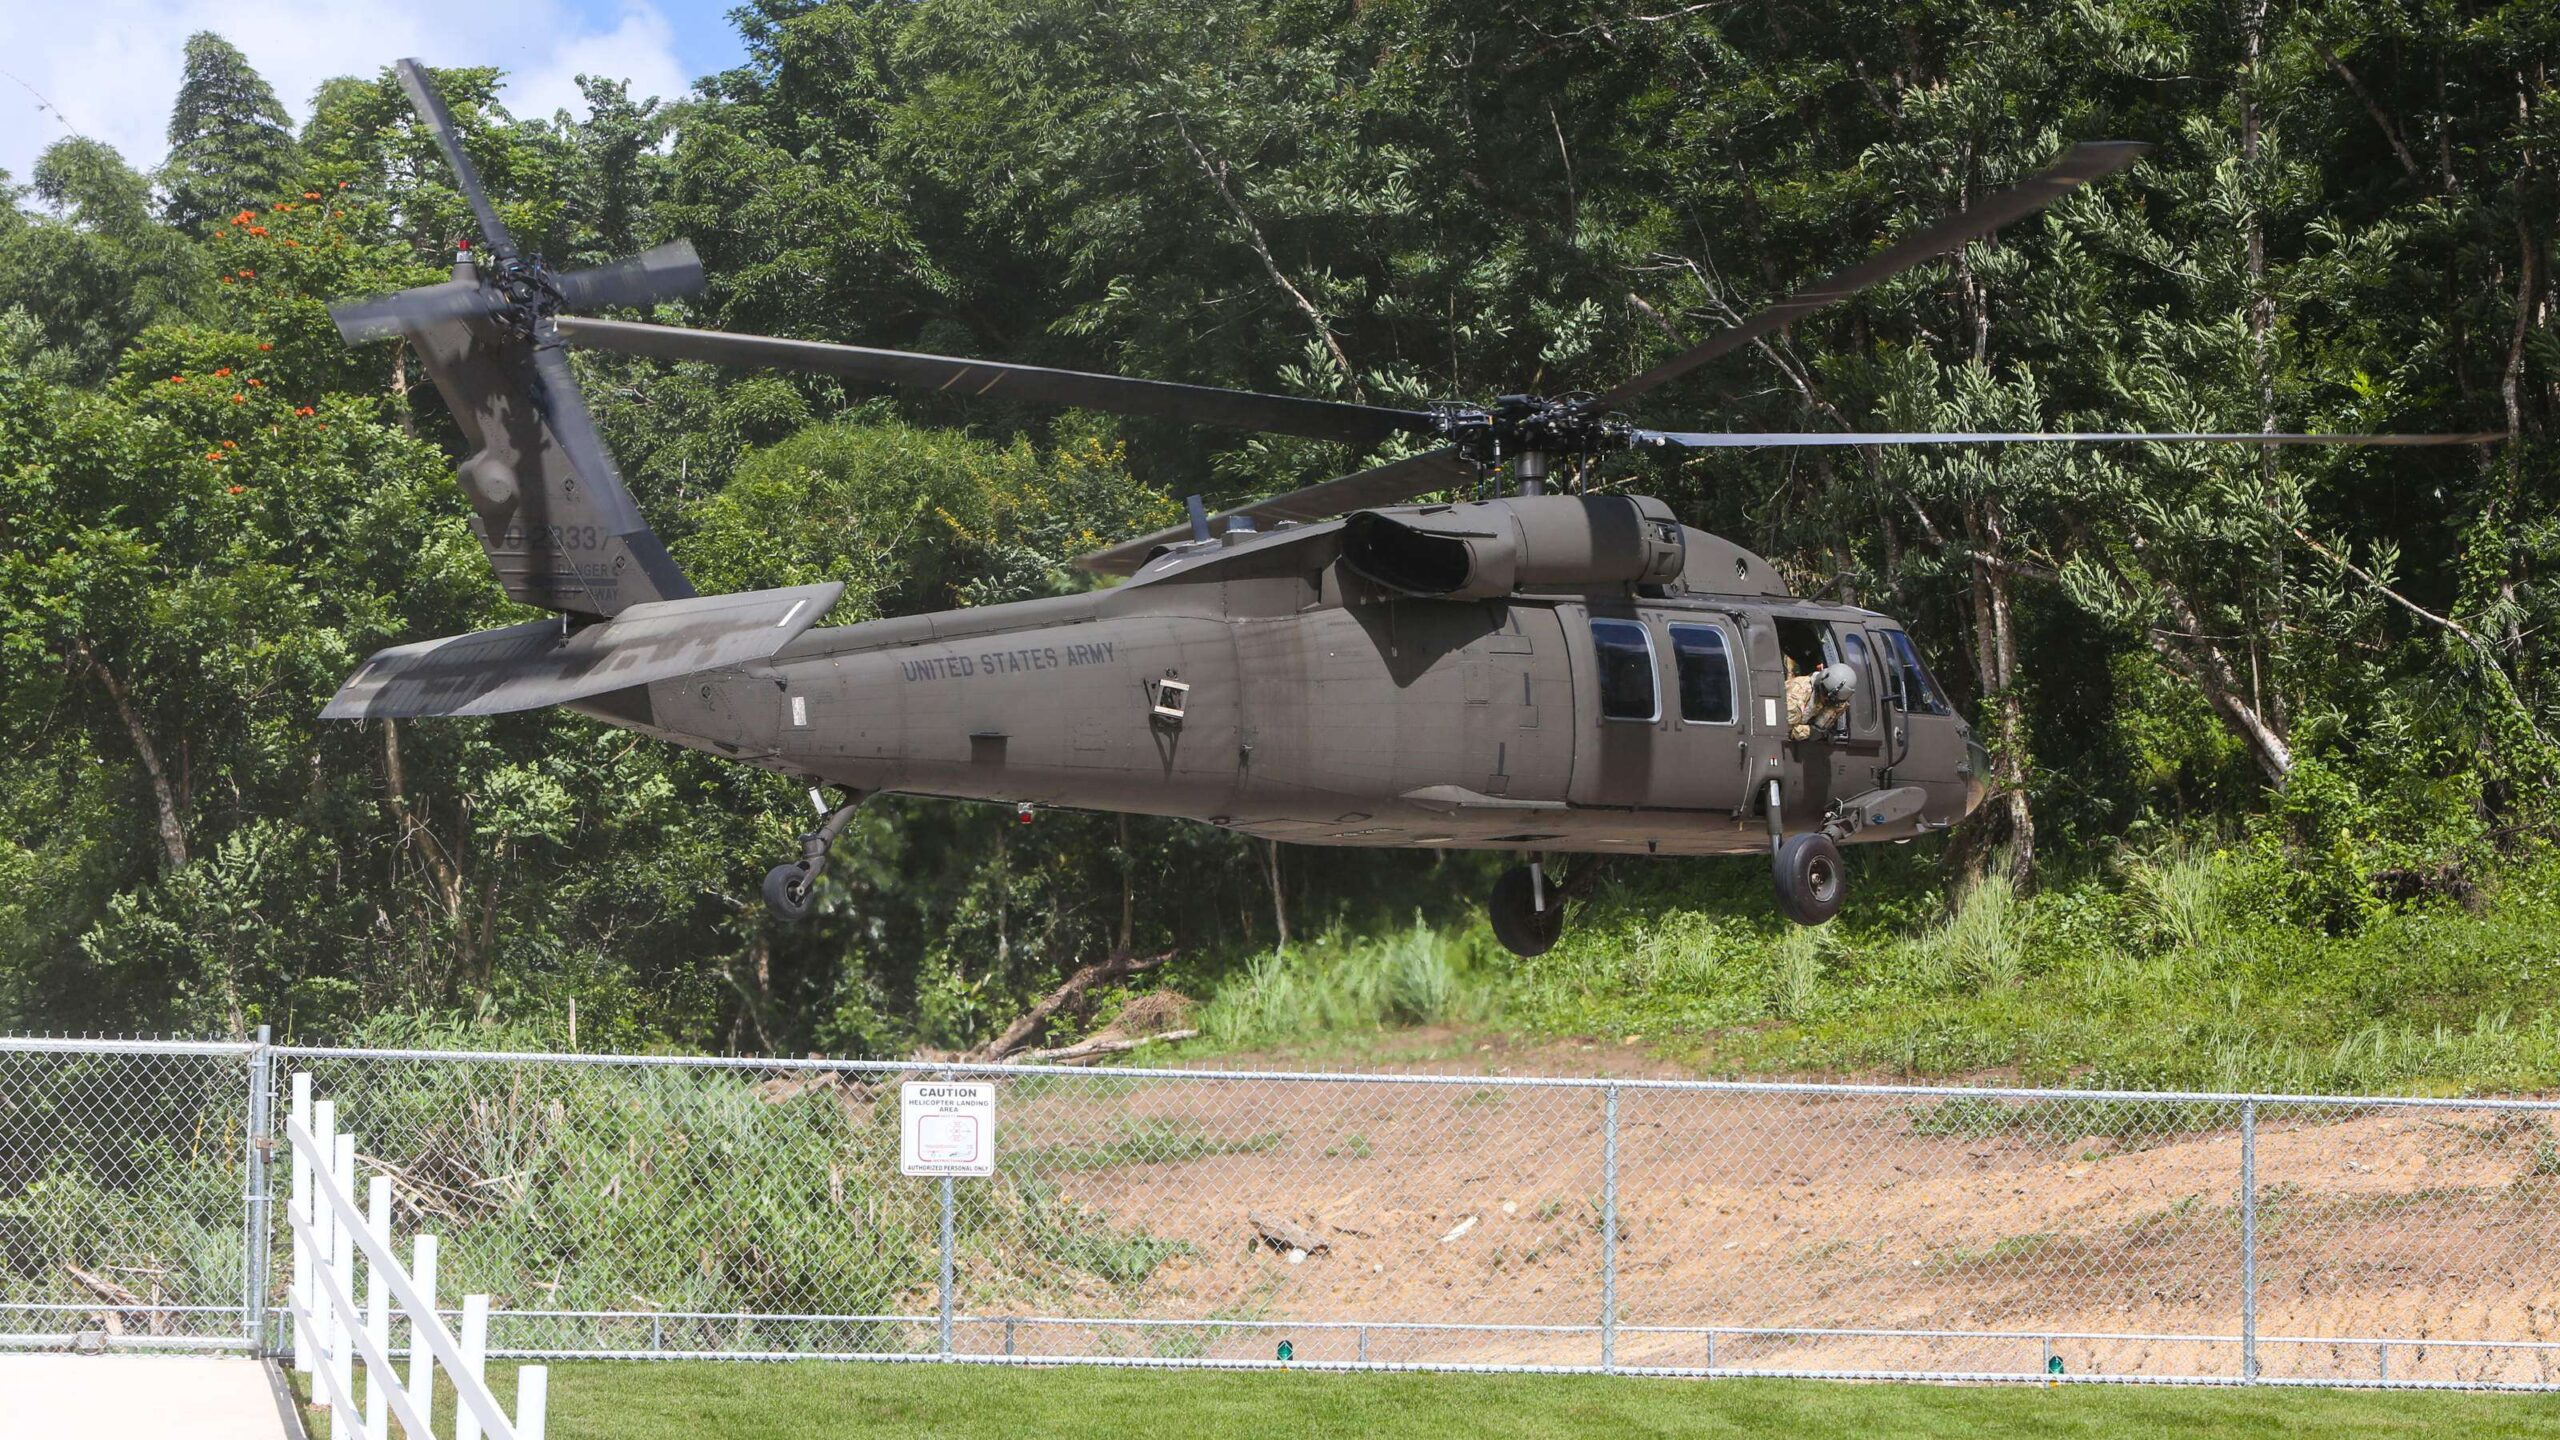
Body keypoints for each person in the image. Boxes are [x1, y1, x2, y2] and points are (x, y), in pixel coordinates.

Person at [1788, 659, 1855, 741]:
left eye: (1832, 700)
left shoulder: (1839, 701)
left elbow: (1828, 721)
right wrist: (1810, 732)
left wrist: (1823, 731)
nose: (1826, 699)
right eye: (1825, 694)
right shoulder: (1798, 694)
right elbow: (1785, 731)